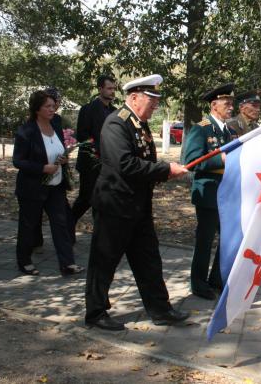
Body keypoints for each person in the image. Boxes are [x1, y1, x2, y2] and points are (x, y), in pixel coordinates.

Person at [85, 74, 189, 331]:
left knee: (149, 259)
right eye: (151, 101)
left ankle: (160, 309)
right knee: (104, 260)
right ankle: (95, 312)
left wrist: (161, 174)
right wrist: (165, 170)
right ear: (133, 98)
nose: (155, 106)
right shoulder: (116, 124)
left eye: (156, 101)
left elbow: (144, 163)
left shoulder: (139, 124)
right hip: (115, 206)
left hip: (138, 206)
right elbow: (126, 164)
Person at [13, 90, 83, 276]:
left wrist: (64, 159)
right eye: (48, 106)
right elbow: (18, 161)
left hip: (56, 186)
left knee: (60, 224)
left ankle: (67, 264)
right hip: (32, 188)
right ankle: (24, 261)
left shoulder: (57, 123)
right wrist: (42, 168)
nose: (53, 109)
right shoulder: (26, 131)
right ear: (37, 109)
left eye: (54, 106)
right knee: (28, 225)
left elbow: (57, 147)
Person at [183, 83, 234, 300]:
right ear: (214, 105)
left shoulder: (229, 131)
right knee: (205, 240)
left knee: (227, 240)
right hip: (208, 194)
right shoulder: (201, 128)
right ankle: (198, 283)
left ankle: (217, 278)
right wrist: (219, 159)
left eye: (232, 103)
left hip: (226, 194)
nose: (231, 107)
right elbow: (190, 161)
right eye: (227, 103)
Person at [32, 87, 76, 251]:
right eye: (51, 104)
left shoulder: (57, 120)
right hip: (40, 174)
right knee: (35, 214)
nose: (54, 107)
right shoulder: (31, 125)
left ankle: (67, 245)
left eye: (56, 103)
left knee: (62, 212)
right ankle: (34, 242)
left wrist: (65, 154)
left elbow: (60, 141)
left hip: (58, 172)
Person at [71, 75, 117, 226]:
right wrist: (99, 152)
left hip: (108, 165)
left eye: (114, 89)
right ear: (100, 89)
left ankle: (100, 236)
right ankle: (67, 224)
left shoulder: (116, 112)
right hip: (90, 163)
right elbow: (83, 136)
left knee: (103, 201)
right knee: (86, 199)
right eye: (109, 88)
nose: (112, 92)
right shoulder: (88, 109)